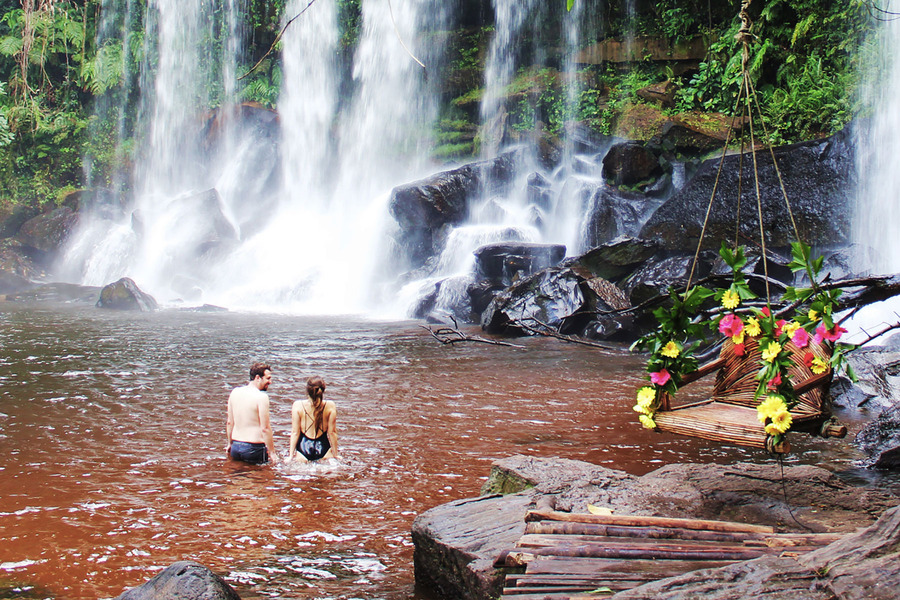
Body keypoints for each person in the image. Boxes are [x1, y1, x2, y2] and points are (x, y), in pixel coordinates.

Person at [226, 362, 280, 465]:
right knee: (259, 479)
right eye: (268, 378)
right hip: (254, 448)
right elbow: (265, 428)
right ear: (257, 377)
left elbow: (229, 422)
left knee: (237, 479)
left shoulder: (235, 392)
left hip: (236, 446)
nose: (270, 382)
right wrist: (272, 453)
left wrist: (229, 443)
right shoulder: (261, 397)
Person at [290, 376, 339, 463]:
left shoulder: (297, 405)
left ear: (307, 390)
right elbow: (332, 432)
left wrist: (290, 456)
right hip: (323, 448)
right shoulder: (330, 405)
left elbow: (295, 432)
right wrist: (336, 454)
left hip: (303, 448)